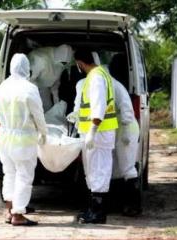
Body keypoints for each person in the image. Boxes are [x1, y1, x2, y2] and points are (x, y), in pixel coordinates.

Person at [0, 53, 47, 226]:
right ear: (27, 68)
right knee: (24, 176)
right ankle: (18, 215)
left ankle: (9, 210)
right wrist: (44, 132)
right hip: (23, 139)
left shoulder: (1, 88)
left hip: (5, 137)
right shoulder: (29, 89)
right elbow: (38, 114)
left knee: (9, 173)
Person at [73, 49, 119, 224]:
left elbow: (98, 107)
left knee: (99, 171)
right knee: (93, 171)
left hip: (98, 134)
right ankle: (93, 209)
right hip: (96, 134)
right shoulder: (98, 75)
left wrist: (91, 132)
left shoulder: (96, 78)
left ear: (80, 63)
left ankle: (98, 213)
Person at [109, 54, 141, 217]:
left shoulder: (115, 86)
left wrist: (126, 132)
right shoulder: (113, 84)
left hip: (126, 128)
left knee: (128, 167)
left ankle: (133, 205)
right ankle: (120, 203)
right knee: (116, 168)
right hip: (121, 128)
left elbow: (127, 112)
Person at [28, 44, 73, 111]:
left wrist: (56, 102)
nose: (64, 64)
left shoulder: (64, 62)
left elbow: (56, 81)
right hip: (33, 88)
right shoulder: (40, 60)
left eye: (65, 63)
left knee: (48, 109)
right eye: (63, 62)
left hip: (45, 87)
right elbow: (29, 80)